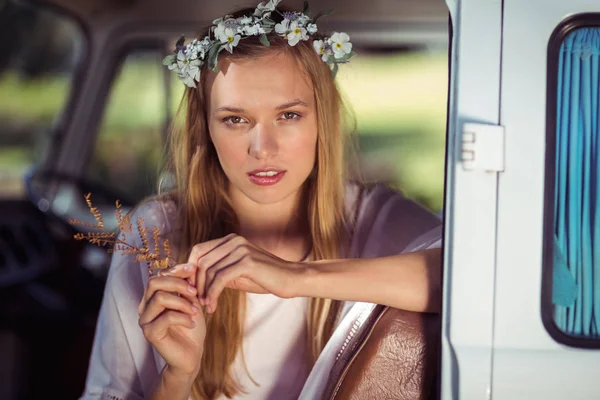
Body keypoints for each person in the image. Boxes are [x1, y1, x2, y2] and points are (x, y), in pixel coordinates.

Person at [79, 1, 443, 399]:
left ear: (323, 117)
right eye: (235, 119)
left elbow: (475, 277)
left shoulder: (372, 217)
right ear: (206, 128)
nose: (262, 149)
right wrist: (178, 378)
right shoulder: (153, 233)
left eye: (288, 115)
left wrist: (293, 278)